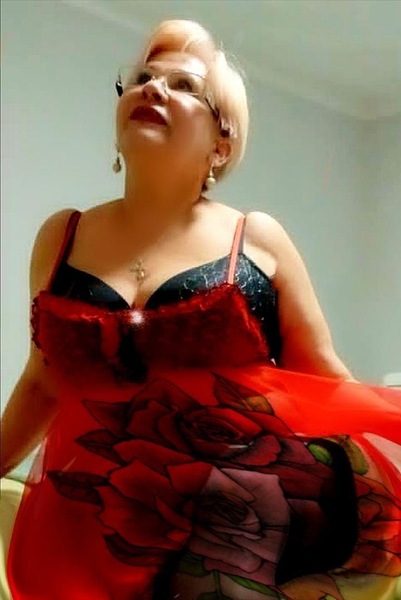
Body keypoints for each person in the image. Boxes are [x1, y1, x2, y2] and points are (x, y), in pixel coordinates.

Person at [1, 19, 400, 600]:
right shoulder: (60, 236)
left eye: (184, 85)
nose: (153, 89)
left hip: (225, 543)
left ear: (222, 142)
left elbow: (325, 381)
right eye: (142, 78)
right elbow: (42, 384)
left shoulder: (257, 240)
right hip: (83, 528)